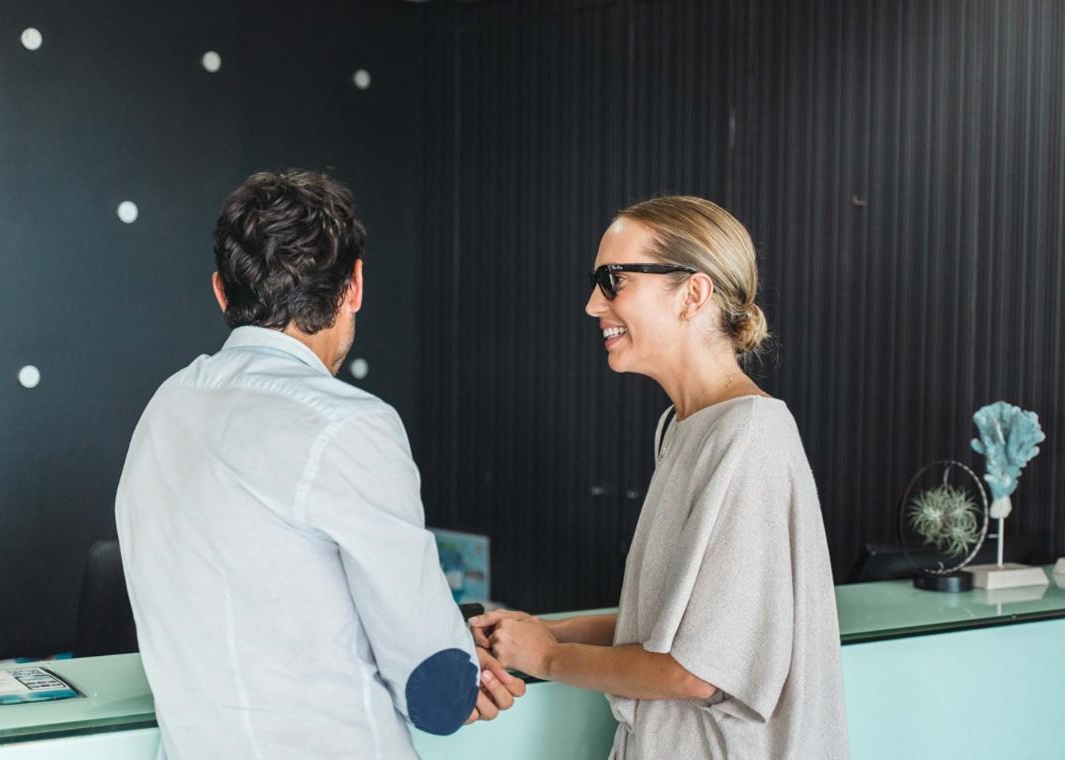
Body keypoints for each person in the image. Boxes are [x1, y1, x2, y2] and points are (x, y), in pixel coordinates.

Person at [115, 170, 523, 760]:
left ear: (221, 293)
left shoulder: (167, 405)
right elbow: (435, 692)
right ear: (354, 285)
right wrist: (463, 672)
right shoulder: (350, 424)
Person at [470, 196, 848, 759]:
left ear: (692, 294)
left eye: (613, 280)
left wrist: (548, 657)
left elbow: (698, 670)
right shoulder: (685, 427)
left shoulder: (749, 437)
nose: (593, 304)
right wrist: (546, 631)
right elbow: (677, 624)